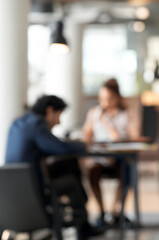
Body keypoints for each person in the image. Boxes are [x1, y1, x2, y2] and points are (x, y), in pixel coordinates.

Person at [5, 95, 102, 239]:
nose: (58, 121)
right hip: (33, 187)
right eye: (58, 115)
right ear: (49, 110)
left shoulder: (19, 122)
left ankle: (82, 225)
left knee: (68, 166)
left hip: (12, 185)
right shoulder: (37, 124)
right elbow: (59, 147)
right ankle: (81, 226)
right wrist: (83, 145)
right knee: (72, 180)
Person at [82, 78, 139, 226]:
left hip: (120, 159)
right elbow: (86, 136)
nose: (105, 103)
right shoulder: (94, 113)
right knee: (92, 172)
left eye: (109, 99)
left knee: (126, 171)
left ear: (117, 97)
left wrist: (108, 124)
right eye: (101, 99)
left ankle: (116, 212)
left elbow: (134, 137)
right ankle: (101, 213)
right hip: (100, 159)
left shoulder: (125, 114)